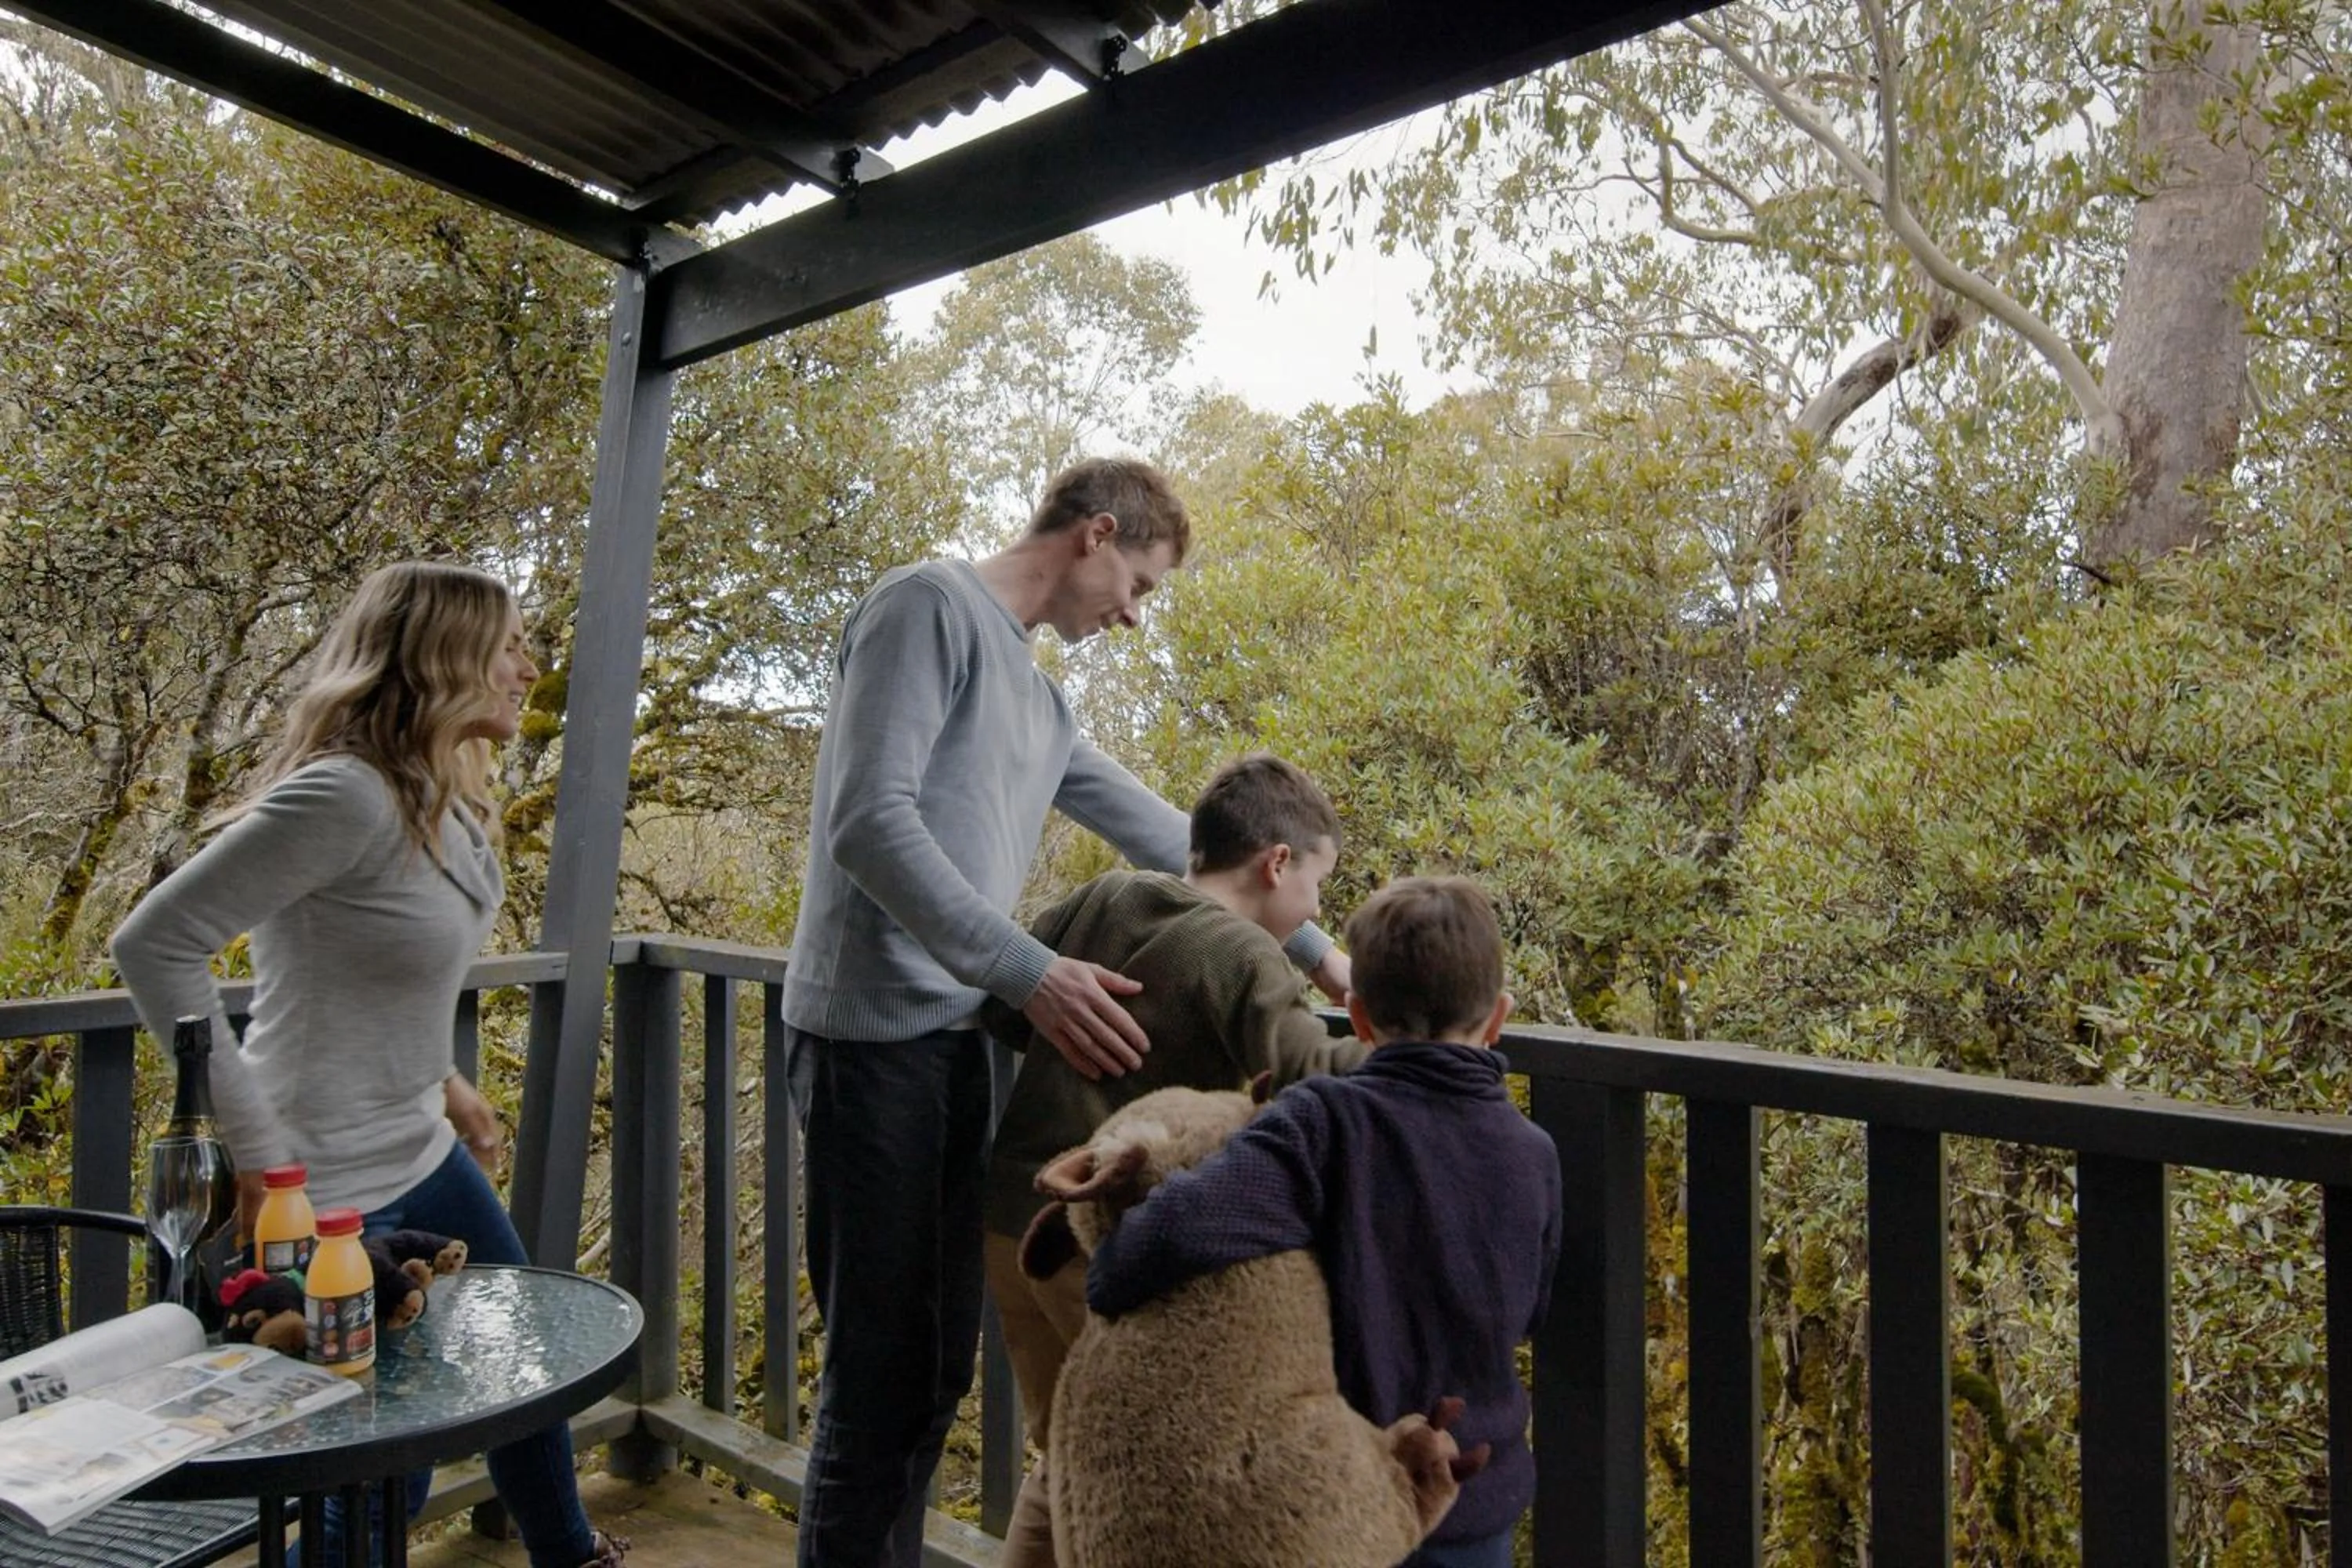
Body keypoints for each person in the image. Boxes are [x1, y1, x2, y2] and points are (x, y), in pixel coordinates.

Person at [781, 456, 1349, 1568]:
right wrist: (1031, 972)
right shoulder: (925, 608)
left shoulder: (1040, 699)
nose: (1134, 615)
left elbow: (1181, 839)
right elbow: (867, 823)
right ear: (1095, 534)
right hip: (867, 1047)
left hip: (955, 1046)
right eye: (1139, 584)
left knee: (933, 1373)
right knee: (877, 1378)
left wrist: (1324, 954)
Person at [111, 561, 626, 1568]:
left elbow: (381, 976)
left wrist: (443, 1077)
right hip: (322, 1180)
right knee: (386, 1465)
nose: (529, 668)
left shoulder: (439, 799)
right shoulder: (343, 795)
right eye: (510, 645)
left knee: (520, 1362)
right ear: (445, 657)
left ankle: (570, 1554)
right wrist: (262, 1157)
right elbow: (154, 942)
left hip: (420, 1149)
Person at [1084, 876, 1563, 1568]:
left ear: (1359, 1019)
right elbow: (1530, 1310)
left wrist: (1110, 1269)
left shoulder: (1322, 1124)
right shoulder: (1533, 1152)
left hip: (1342, 1502)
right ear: (1498, 1018)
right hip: (1475, 1496)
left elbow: (1174, 1230)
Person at [980, 752, 1367, 1567]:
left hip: (1009, 1225)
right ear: (1278, 863)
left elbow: (1005, 1011)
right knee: (1156, 1474)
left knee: (1071, 1455)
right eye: (1319, 883)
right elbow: (1306, 1067)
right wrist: (1428, 1047)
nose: (1315, 909)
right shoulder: (1246, 953)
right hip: (1094, 1240)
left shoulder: (1107, 895)